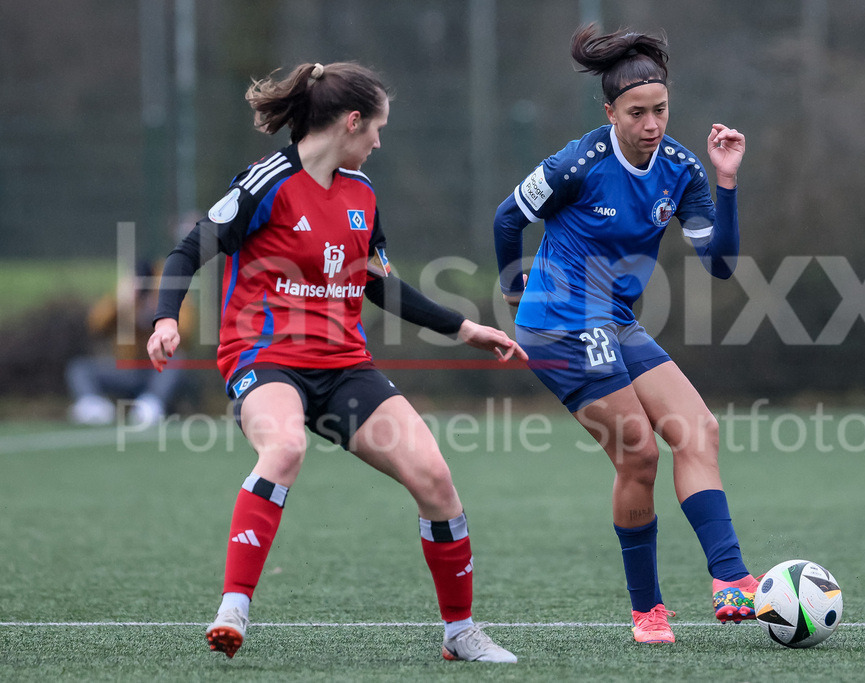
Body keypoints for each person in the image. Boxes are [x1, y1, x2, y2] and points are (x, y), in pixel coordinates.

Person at [147, 61, 525, 663]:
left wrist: (464, 328)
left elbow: (380, 285)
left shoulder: (363, 194)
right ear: (352, 122)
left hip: (345, 365)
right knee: (285, 448)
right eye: (377, 128)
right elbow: (187, 252)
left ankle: (460, 632)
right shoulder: (266, 183)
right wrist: (165, 318)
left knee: (435, 479)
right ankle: (233, 608)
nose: (379, 141)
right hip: (264, 356)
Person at [493, 25, 759, 644]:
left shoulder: (682, 169)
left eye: (660, 109)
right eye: (637, 113)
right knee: (639, 452)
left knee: (698, 431)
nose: (652, 124)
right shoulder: (576, 164)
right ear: (610, 112)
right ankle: (648, 613)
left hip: (614, 319)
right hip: (558, 324)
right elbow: (508, 218)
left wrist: (726, 181)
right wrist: (513, 291)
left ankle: (731, 581)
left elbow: (720, 265)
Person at [67, 259, 192, 427]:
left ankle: (151, 404)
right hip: (128, 368)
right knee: (80, 368)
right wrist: (118, 303)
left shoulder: (168, 291)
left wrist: (160, 312)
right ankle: (94, 406)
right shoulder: (126, 296)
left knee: (176, 360)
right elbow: (95, 326)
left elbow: (186, 332)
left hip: (157, 370)